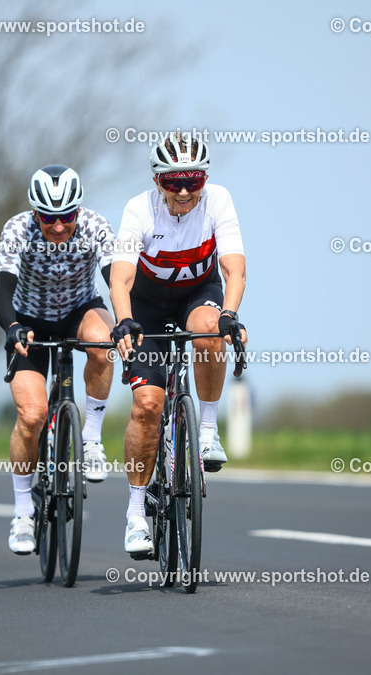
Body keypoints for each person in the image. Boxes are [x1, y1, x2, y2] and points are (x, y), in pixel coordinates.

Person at [110, 133, 248, 555]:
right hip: (146, 306)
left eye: (193, 181)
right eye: (173, 182)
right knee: (148, 406)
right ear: (157, 182)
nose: (184, 191)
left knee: (210, 329)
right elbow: (121, 277)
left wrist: (229, 314)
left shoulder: (218, 200)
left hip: (197, 294)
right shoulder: (138, 209)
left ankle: (207, 431)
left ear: (204, 179)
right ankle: (136, 512)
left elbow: (234, 269)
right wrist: (124, 321)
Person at [0, 165, 116, 555]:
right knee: (32, 416)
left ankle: (91, 438)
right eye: (48, 218)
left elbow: (116, 278)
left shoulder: (95, 226)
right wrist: (12, 327)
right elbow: (1, 291)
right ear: (35, 213)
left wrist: (127, 320)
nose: (59, 226)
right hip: (29, 321)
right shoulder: (17, 229)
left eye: (67, 216)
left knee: (104, 343)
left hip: (81, 309)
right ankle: (23, 511)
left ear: (79, 210)